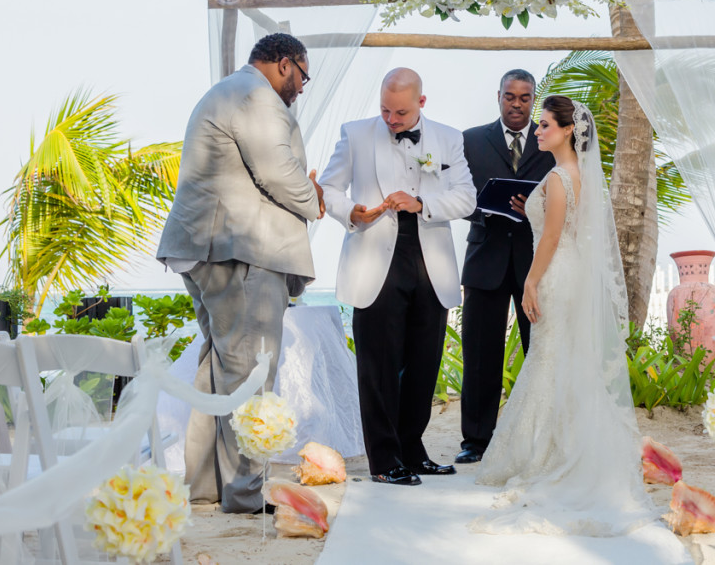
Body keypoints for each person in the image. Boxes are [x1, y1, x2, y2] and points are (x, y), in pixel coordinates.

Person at [472, 96, 659, 536]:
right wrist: (529, 211)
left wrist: (532, 283)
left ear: (568, 131)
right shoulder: (579, 177)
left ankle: (543, 455)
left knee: (548, 360)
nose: (537, 132)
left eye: (545, 126)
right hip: (574, 274)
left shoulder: (558, 177)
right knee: (565, 361)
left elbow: (553, 236)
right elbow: (567, 228)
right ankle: (568, 445)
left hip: (555, 273)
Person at [156, 32, 325, 513]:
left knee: (219, 370)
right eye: (302, 77)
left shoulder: (229, 90)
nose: (299, 88)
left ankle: (208, 487)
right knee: (250, 373)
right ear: (285, 64)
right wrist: (314, 201)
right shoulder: (256, 96)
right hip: (240, 249)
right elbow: (278, 171)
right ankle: (246, 494)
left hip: (210, 248)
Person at [319, 68, 476, 486]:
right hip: (374, 257)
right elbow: (329, 189)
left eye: (401, 113)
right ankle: (385, 460)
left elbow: (466, 196)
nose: (391, 120)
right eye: (385, 110)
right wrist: (350, 211)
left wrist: (422, 200)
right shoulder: (354, 134)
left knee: (423, 364)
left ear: (422, 103)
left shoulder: (449, 138)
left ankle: (412, 448)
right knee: (379, 366)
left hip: (430, 259)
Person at [457, 69, 555, 465]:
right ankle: (476, 441)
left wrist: (534, 210)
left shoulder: (548, 141)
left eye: (525, 97)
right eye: (510, 97)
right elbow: (457, 197)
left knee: (541, 350)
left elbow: (563, 198)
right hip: (485, 257)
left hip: (536, 263)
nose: (517, 104)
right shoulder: (470, 140)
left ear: (534, 99)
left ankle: (539, 439)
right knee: (479, 354)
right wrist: (484, 209)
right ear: (498, 96)